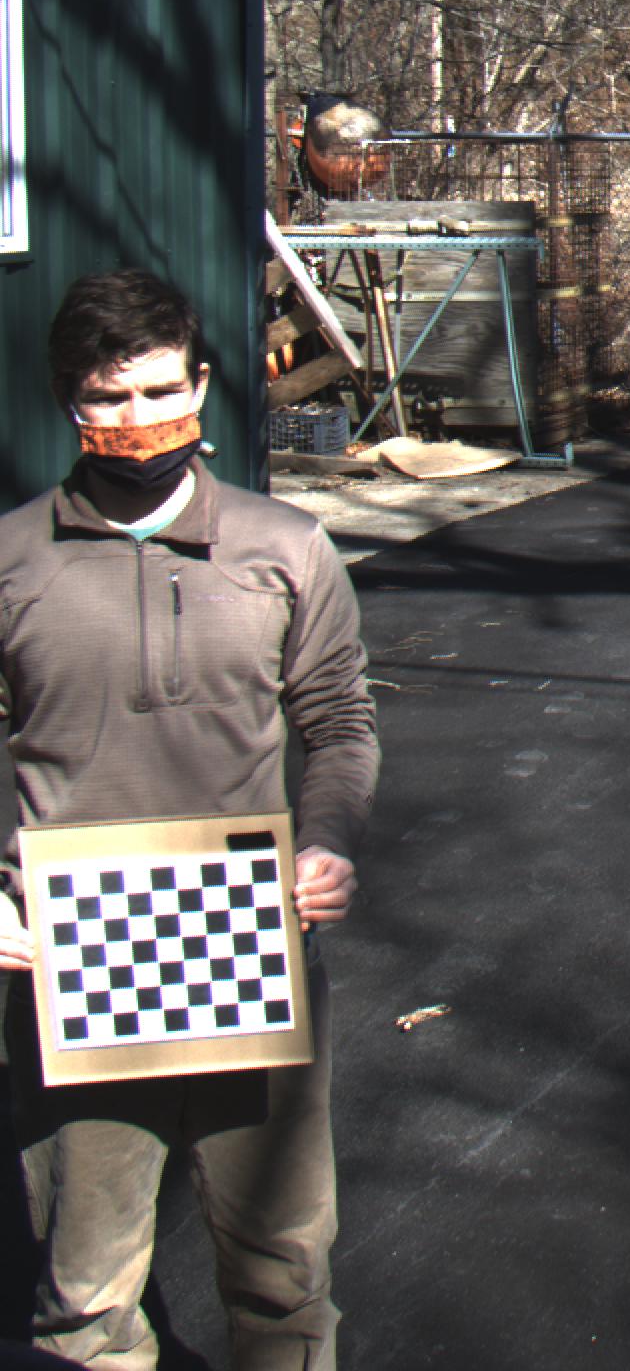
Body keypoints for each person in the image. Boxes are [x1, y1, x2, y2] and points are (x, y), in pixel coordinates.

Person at [0, 271, 380, 1369]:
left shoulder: (284, 547)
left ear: (204, 386)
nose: (139, 417)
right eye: (108, 396)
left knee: (283, 1271)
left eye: (162, 390)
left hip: (248, 946)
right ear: (68, 400)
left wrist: (328, 839)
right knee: (85, 1291)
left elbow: (339, 721)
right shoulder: (12, 562)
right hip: (72, 959)